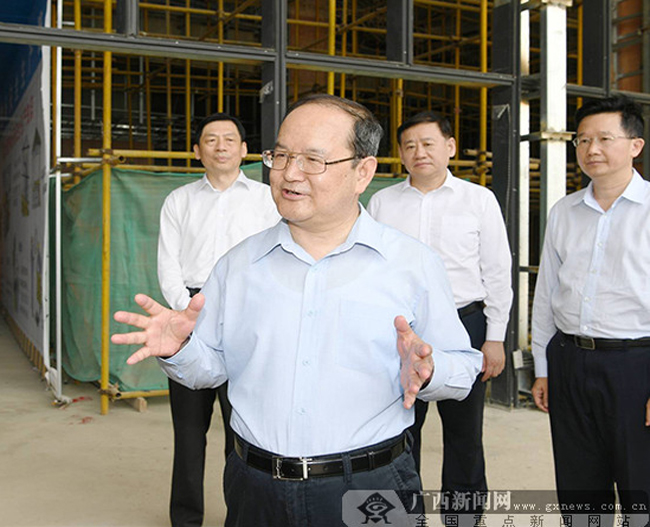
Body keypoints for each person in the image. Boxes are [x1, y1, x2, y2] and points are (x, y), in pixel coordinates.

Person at [113, 94, 483, 527]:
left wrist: (431, 371)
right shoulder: (238, 265)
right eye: (282, 155)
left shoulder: (411, 264)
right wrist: (179, 350)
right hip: (255, 488)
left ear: (363, 172)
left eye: (313, 159)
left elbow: (463, 368)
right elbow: (210, 368)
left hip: (371, 488)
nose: (289, 173)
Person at [367, 111, 512, 522]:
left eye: (428, 143)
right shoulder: (382, 202)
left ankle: (462, 518)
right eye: (410, 145)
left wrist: (495, 337)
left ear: (450, 147)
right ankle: (403, 516)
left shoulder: (478, 200)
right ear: (400, 154)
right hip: (400, 330)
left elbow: (497, 272)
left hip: (466, 326)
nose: (419, 152)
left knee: (465, 434)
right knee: (399, 431)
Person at [157, 112, 280, 527]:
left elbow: (275, 261)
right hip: (189, 320)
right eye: (211, 139)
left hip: (249, 318)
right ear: (197, 151)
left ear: (245, 150)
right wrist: (191, 314)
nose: (221, 146)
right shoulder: (179, 201)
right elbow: (168, 266)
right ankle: (185, 519)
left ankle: (240, 517)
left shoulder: (266, 199)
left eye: (230, 139)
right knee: (188, 432)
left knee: (243, 433)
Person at [531, 95, 649, 526]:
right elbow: (547, 293)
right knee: (580, 490)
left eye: (603, 139)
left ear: (635, 145)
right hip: (570, 361)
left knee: (641, 488)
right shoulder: (564, 212)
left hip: (636, 366)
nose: (591, 149)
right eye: (582, 140)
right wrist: (543, 367)